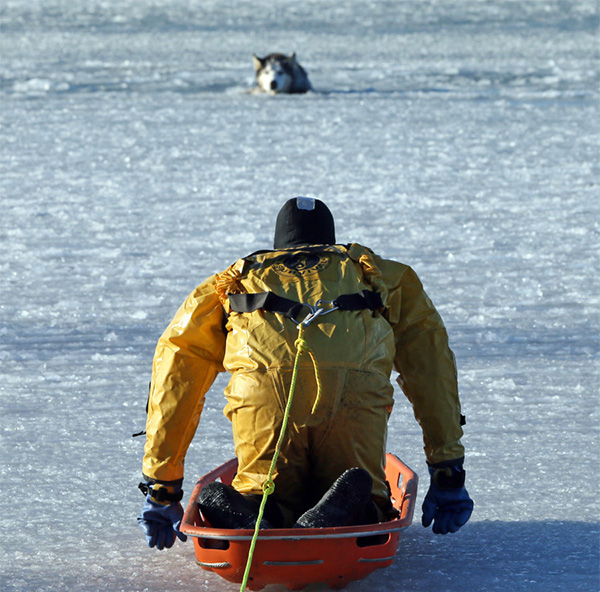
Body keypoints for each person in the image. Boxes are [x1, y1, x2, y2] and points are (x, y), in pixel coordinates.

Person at [137, 197, 474, 550]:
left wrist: (162, 487)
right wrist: (447, 471)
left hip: (264, 398)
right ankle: (355, 506)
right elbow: (430, 369)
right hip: (354, 396)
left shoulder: (232, 282)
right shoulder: (379, 276)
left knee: (263, 489)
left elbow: (176, 373)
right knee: (365, 497)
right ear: (329, 241)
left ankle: (254, 512)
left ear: (279, 243)